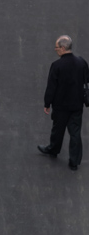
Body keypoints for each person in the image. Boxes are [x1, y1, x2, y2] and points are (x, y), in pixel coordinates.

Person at [38, 35, 89, 170]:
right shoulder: (82, 62)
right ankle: (74, 161)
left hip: (61, 106)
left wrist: (47, 104)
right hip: (77, 105)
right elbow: (86, 80)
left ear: (62, 48)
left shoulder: (57, 65)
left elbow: (51, 87)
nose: (55, 50)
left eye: (56, 47)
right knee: (75, 133)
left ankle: (53, 150)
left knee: (57, 130)